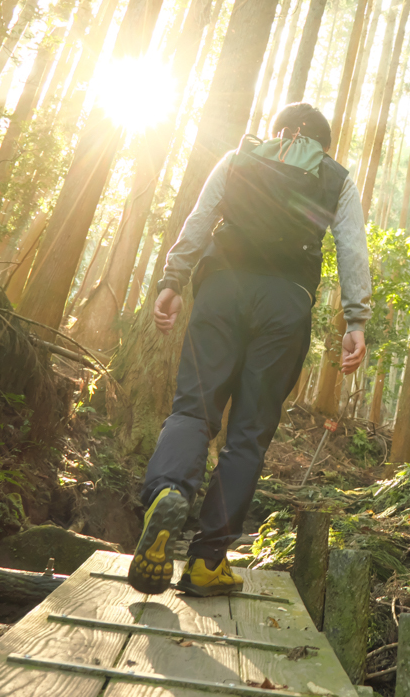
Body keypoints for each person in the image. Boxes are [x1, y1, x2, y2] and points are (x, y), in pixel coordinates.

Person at [127, 102, 371, 595]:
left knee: (193, 410)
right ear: (323, 144)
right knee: (249, 433)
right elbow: (352, 248)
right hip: (286, 306)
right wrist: (356, 319)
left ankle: (170, 491)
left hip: (221, 291)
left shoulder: (238, 157)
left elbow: (199, 220)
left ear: (276, 131)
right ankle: (206, 561)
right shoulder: (335, 177)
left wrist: (173, 280)